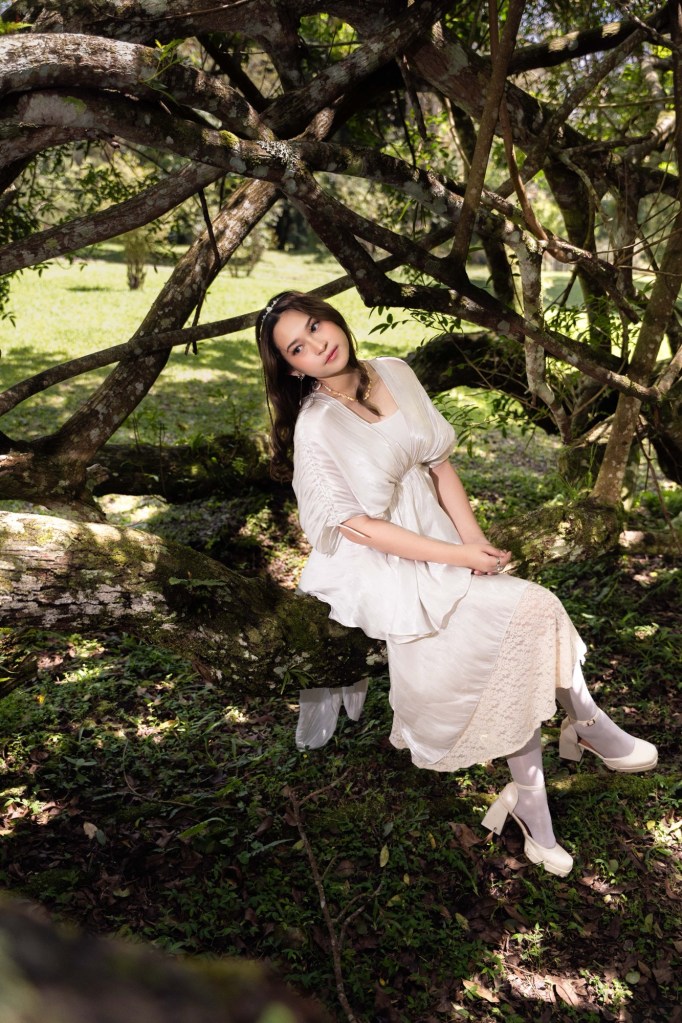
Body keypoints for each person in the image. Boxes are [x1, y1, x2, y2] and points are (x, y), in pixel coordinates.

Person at [255, 291, 658, 878]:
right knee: (514, 624)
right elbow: (359, 527)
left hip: (438, 532)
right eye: (298, 347)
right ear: (293, 368)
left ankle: (545, 787)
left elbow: (441, 466)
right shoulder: (316, 426)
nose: (318, 344)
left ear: (333, 319)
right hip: (383, 559)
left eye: (316, 326)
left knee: (523, 620)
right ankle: (582, 736)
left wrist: (476, 546)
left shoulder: (393, 371)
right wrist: (455, 555)